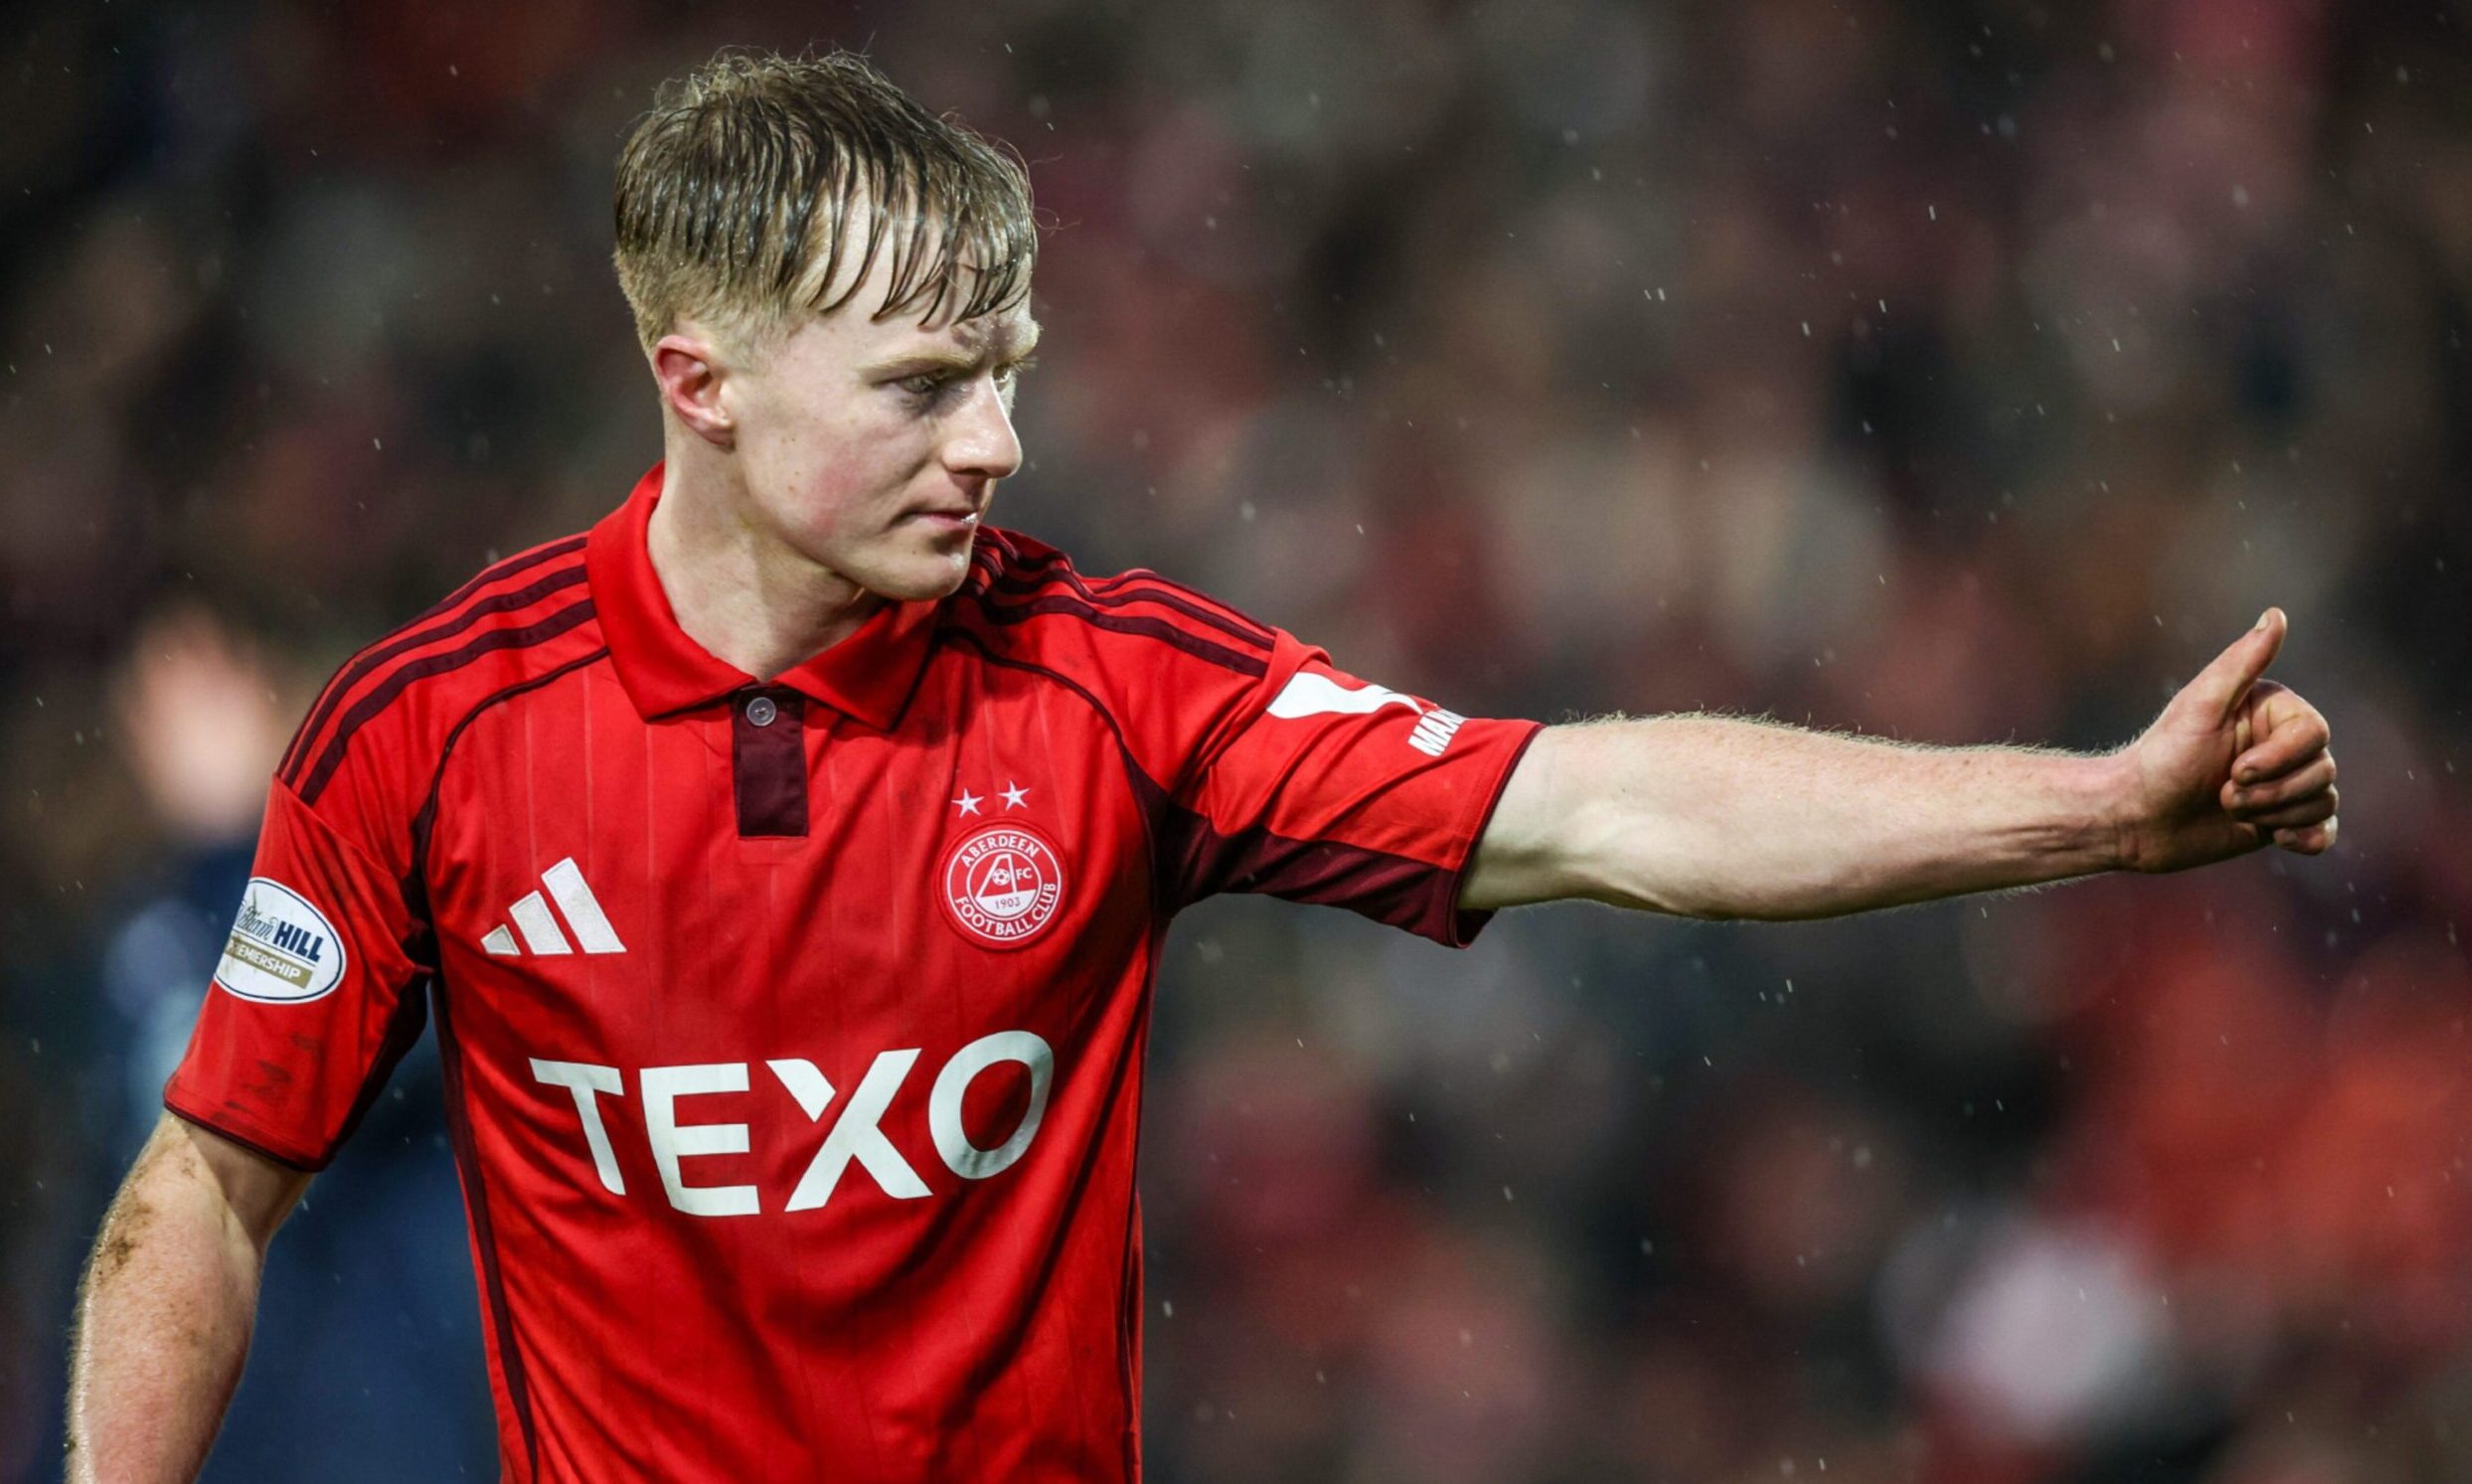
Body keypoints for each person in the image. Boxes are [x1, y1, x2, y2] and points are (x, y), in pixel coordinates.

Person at [64, 47, 2339, 1484]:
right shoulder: (436, 734)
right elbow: (205, 1194)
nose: (1005, 439)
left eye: (1011, 368)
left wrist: (2083, 808)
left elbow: (1598, 800)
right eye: (931, 383)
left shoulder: (1110, 691)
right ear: (702, 383)